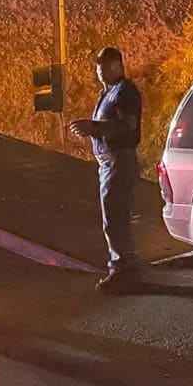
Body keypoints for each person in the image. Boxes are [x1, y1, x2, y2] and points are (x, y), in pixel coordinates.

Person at [69, 45, 143, 293]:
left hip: (118, 161)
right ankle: (126, 266)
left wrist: (94, 128)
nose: (99, 69)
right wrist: (93, 129)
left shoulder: (125, 92)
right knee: (115, 216)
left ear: (118, 65)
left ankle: (121, 270)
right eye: (98, 64)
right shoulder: (109, 92)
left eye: (104, 64)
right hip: (109, 162)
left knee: (114, 217)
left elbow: (128, 125)